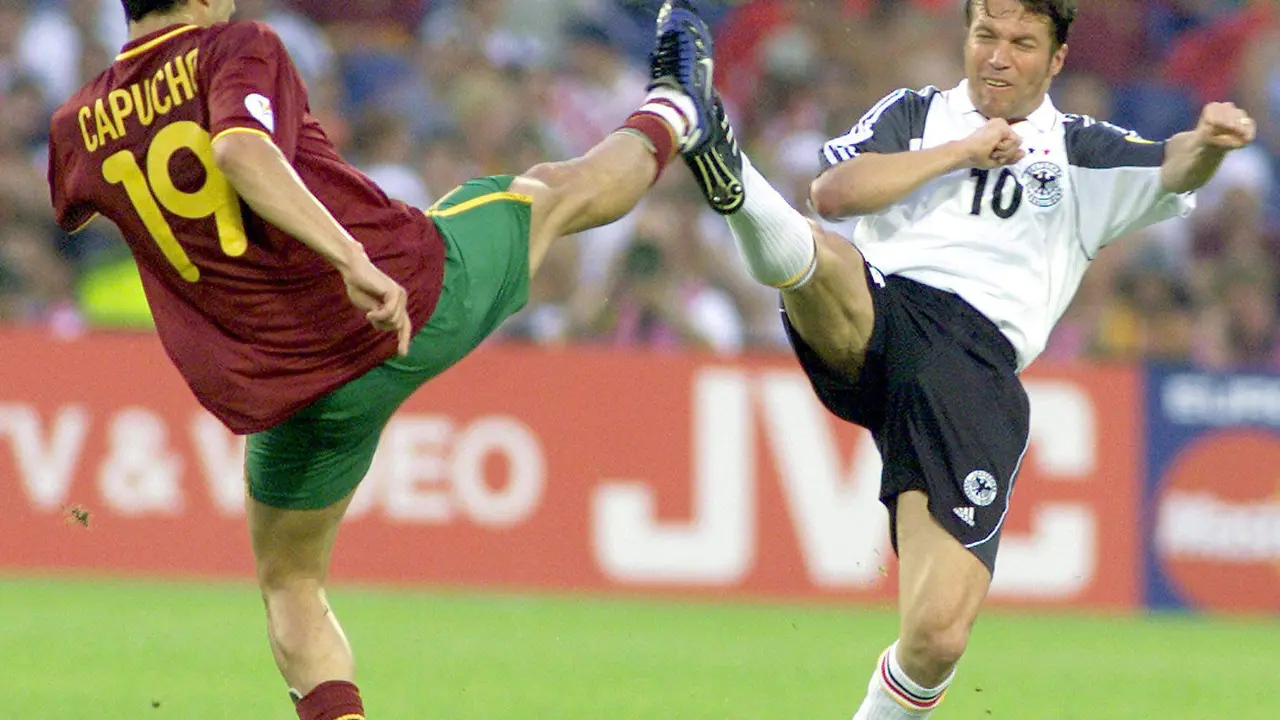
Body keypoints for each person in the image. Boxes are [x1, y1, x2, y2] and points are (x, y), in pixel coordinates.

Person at [45, 1, 722, 718]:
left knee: (291, 585)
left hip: (279, 388)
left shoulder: (73, 126)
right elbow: (239, 150)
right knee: (547, 195)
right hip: (396, 305)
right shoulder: (234, 47)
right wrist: (351, 259)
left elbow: (68, 203)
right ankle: (679, 106)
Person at [670, 1, 1257, 717]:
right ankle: (730, 174)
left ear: (1057, 58)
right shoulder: (917, 114)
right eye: (986, 36)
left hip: (973, 370)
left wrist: (1212, 143)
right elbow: (833, 193)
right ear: (966, 37)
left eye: (1021, 43)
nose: (998, 57)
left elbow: (1175, 165)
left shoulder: (1080, 150)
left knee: (936, 638)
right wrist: (964, 150)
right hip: (886, 311)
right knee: (820, 256)